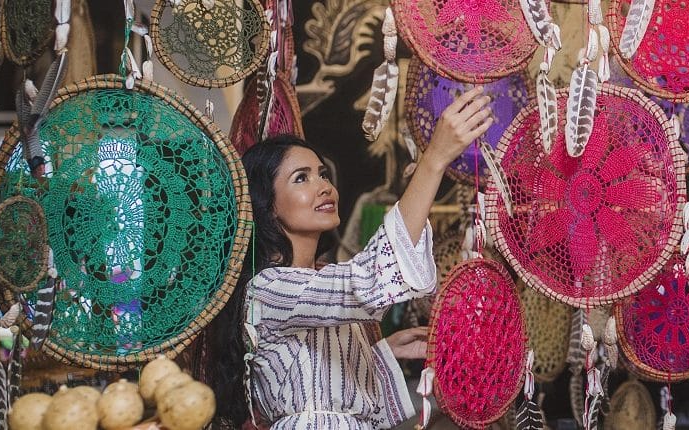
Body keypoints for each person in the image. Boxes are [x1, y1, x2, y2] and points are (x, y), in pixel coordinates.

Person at [195, 87, 495, 429]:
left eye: (323, 174)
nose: (324, 186)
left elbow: (322, 386)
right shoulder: (270, 286)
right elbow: (367, 281)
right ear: (267, 206)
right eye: (301, 178)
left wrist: (377, 354)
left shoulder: (320, 281)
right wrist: (433, 162)